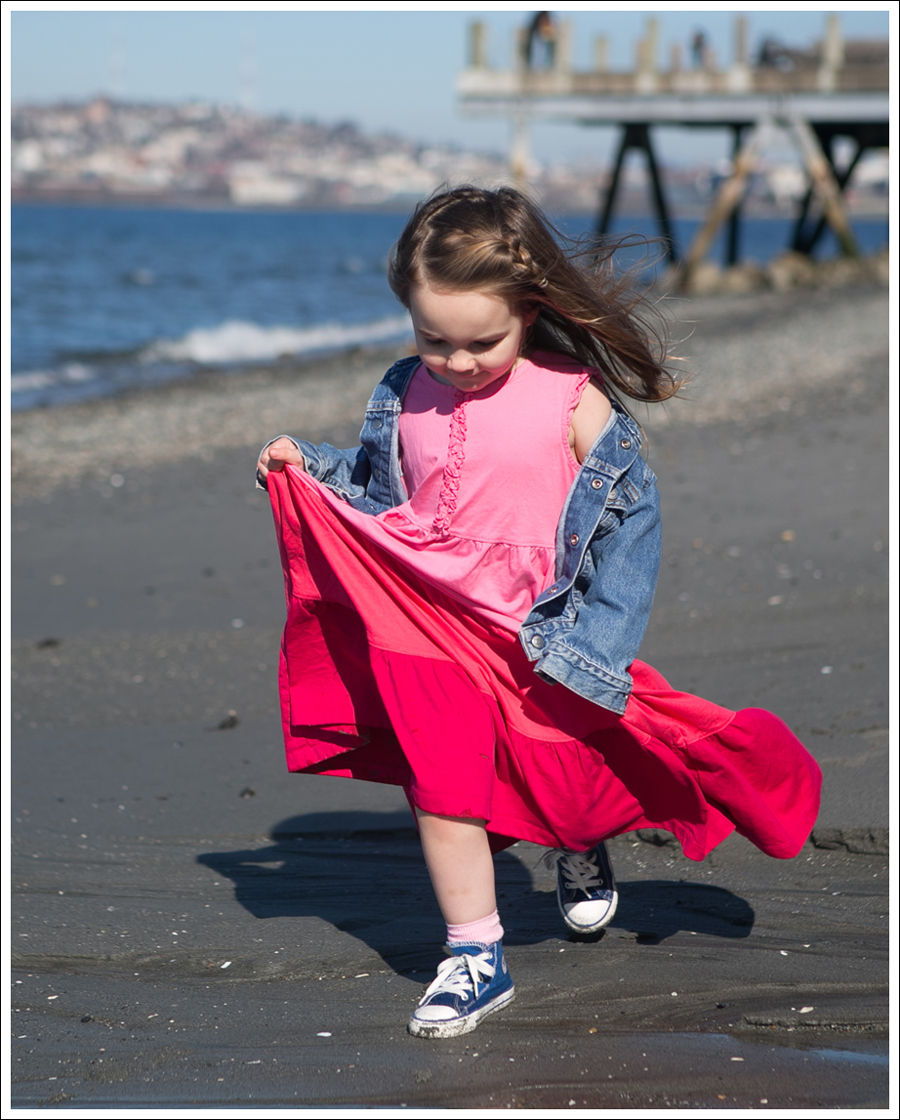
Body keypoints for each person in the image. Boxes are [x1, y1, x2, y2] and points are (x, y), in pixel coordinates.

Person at [256, 187, 821, 1040]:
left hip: (536, 635)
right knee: (442, 787)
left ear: (528, 309)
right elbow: (377, 486)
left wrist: (598, 647)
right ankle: (476, 955)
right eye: (433, 339)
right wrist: (308, 464)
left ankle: (578, 841)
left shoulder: (571, 399)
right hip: (426, 623)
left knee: (573, 782)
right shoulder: (402, 389)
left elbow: (631, 520)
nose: (456, 360)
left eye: (481, 341)